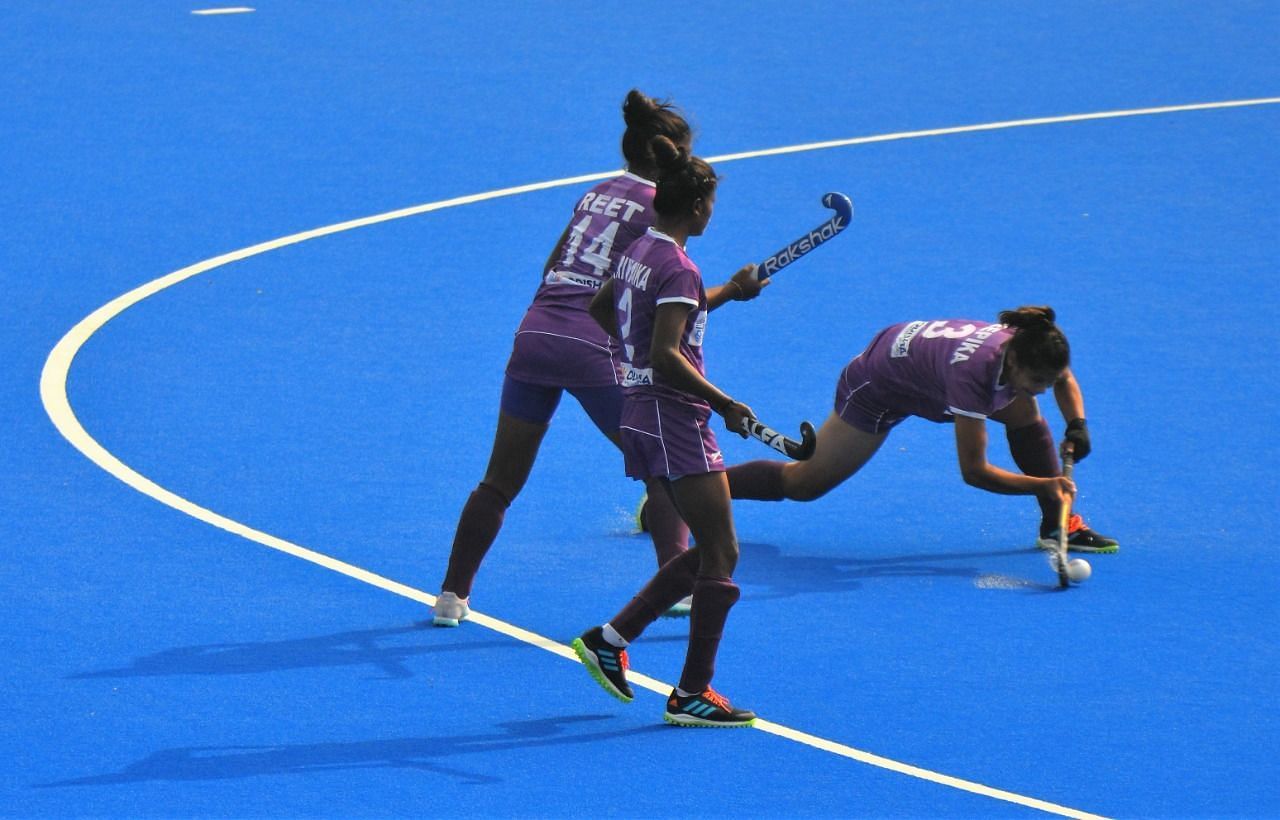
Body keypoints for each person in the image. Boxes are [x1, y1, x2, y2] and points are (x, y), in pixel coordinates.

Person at [432, 91, 730, 627]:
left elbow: (553, 266)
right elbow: (654, 301)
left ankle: (451, 596)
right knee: (664, 470)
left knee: (499, 480)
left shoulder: (598, 192)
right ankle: (676, 584)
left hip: (536, 333)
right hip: (591, 344)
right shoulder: (660, 211)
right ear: (672, 158)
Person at [571, 135, 766, 728]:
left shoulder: (640, 251)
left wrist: (727, 293)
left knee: (710, 547)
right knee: (724, 551)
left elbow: (607, 310)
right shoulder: (679, 266)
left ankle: (611, 637)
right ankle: (692, 693)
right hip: (675, 416)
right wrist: (726, 403)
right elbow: (665, 351)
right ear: (699, 205)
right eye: (712, 203)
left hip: (642, 410)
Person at [726, 307, 1119, 553]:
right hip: (878, 387)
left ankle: (1057, 524)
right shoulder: (973, 376)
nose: (1043, 390)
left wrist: (1078, 424)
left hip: (918, 364)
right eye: (1037, 381)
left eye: (1047, 383)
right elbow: (974, 472)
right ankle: (702, 487)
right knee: (805, 484)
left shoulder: (1033, 342)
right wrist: (1042, 484)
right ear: (1013, 362)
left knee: (1022, 411)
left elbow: (1061, 377)